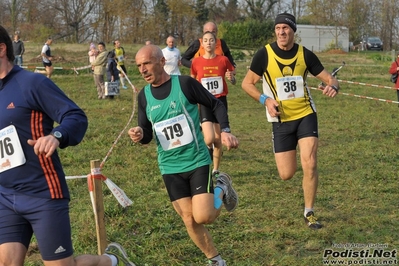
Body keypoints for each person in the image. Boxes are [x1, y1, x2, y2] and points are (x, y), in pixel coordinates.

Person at [0, 25, 135, 266]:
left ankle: (110, 261)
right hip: (5, 195)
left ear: (1, 49)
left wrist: (56, 136)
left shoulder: (31, 83)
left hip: (42, 192)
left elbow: (75, 116)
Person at [128, 44, 239, 265]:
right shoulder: (144, 96)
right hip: (169, 167)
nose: (142, 70)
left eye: (147, 63)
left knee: (204, 216)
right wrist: (140, 134)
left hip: (197, 160)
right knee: (189, 219)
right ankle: (215, 260)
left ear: (161, 62)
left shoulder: (185, 84)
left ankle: (222, 187)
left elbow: (215, 104)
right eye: (139, 66)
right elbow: (148, 134)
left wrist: (224, 130)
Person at [241, 13, 339, 230]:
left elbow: (330, 78)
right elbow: (247, 84)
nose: (281, 32)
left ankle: (309, 211)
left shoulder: (305, 55)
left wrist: (333, 86)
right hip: (281, 119)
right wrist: (265, 100)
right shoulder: (264, 54)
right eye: (278, 28)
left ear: (294, 31)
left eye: (286, 28)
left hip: (305, 114)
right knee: (286, 174)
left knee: (310, 163)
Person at [190, 31, 236, 177]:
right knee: (209, 138)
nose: (208, 42)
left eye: (211, 40)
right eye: (205, 40)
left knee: (217, 139)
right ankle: (205, 156)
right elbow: (192, 80)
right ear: (202, 44)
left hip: (220, 101)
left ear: (215, 43)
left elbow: (233, 79)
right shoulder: (196, 62)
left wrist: (231, 78)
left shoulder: (223, 60)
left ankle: (215, 169)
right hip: (204, 102)